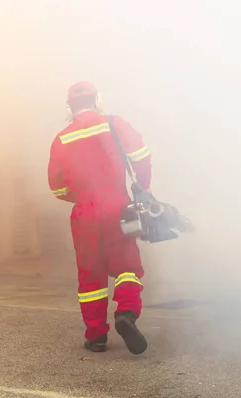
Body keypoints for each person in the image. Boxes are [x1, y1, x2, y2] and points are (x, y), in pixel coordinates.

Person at [47, 81, 152, 354]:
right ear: (97, 100)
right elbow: (141, 156)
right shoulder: (113, 123)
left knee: (90, 276)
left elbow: (57, 187)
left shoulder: (62, 138)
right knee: (127, 264)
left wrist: (82, 198)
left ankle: (96, 337)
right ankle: (126, 314)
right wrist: (143, 187)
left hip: (84, 212)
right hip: (117, 206)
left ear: (69, 107)